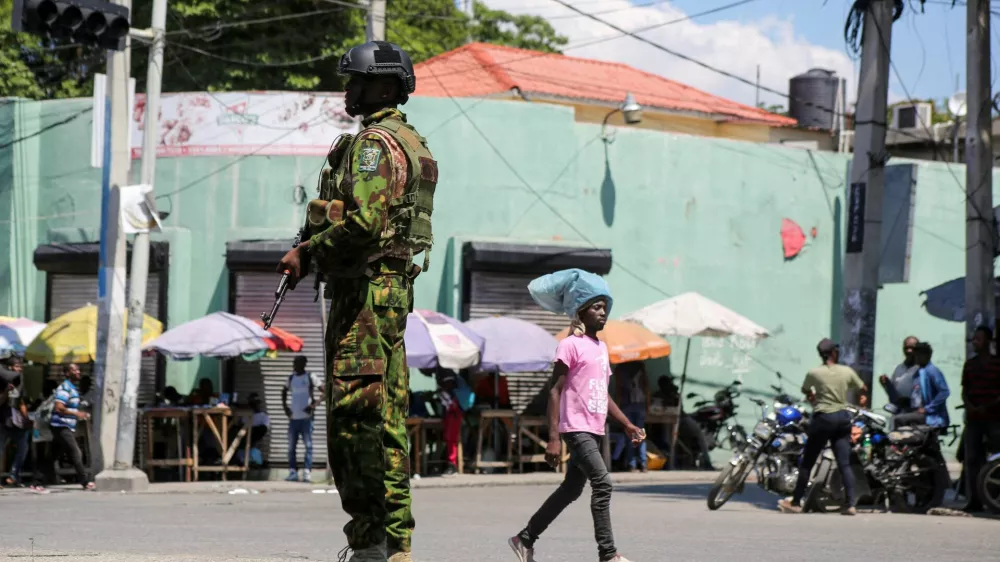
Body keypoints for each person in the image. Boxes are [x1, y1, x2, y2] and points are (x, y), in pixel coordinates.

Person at [277, 40, 435, 562]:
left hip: (364, 295)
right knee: (386, 416)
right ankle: (395, 544)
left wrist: (308, 251)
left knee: (355, 419)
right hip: (389, 290)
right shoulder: (410, 141)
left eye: (356, 82)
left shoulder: (374, 145)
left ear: (385, 87)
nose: (348, 90)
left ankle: (370, 542)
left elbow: (365, 224)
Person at [509, 269, 642, 562]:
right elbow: (554, 392)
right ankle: (608, 554)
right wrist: (553, 439)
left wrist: (628, 424)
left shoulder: (601, 348)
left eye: (605, 306)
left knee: (570, 490)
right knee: (603, 483)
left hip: (594, 428)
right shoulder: (569, 345)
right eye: (596, 306)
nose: (603, 312)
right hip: (576, 428)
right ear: (581, 312)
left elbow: (602, 393)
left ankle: (525, 538)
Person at [778, 339, 867, 516]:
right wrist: (862, 400)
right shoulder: (846, 371)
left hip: (823, 418)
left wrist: (813, 397)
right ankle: (850, 505)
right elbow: (862, 388)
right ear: (834, 352)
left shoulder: (814, 373)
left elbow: (806, 390)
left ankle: (796, 502)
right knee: (844, 463)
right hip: (842, 418)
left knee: (808, 462)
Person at [961, 325, 1000, 512]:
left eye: (978, 339)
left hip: (994, 418)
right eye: (973, 339)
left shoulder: (997, 364)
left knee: (997, 460)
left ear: (988, 341)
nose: (974, 342)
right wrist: (970, 406)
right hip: (974, 418)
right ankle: (974, 500)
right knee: (972, 460)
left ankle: (994, 497)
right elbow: (965, 391)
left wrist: (987, 406)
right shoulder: (970, 364)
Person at [46, 363, 94, 490]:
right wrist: (77, 413)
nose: (78, 372)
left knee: (52, 455)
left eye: (78, 369)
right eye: (74, 370)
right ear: (67, 373)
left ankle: (38, 481)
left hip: (65, 425)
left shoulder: (72, 388)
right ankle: (84, 481)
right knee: (76, 452)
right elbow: (59, 407)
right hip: (61, 425)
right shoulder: (65, 388)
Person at [282, 355, 320, 482]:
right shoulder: (291, 378)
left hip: (306, 419)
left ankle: (307, 473)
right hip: (294, 418)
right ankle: (293, 472)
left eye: (296, 363)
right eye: (294, 363)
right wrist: (285, 408)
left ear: (303, 364)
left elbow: (325, 391)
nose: (294, 365)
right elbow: (284, 391)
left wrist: (314, 404)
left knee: (308, 446)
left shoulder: (310, 377)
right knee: (291, 447)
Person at [896, 342, 950, 430]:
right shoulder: (918, 372)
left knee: (898, 420)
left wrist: (928, 409)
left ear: (926, 356)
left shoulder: (932, 371)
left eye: (918, 355)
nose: (916, 358)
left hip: (931, 417)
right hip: (918, 412)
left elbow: (944, 392)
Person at [615, 362, 649, 473]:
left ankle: (632, 465)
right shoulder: (640, 366)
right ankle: (643, 464)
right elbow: (646, 386)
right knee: (640, 434)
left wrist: (617, 409)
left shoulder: (620, 368)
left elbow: (619, 389)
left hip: (626, 405)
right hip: (640, 404)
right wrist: (647, 405)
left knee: (630, 435)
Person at [2, 359, 30, 487]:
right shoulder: (2, 380)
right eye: (17, 366)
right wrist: (6, 391)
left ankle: (14, 475)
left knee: (23, 447)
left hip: (17, 421)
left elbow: (21, 402)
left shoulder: (21, 381)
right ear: (10, 368)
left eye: (21, 367)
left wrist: (27, 418)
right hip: (3, 419)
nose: (19, 369)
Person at [879, 336, 919, 411]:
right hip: (900, 412)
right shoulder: (899, 369)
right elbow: (894, 395)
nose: (909, 351)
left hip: (915, 413)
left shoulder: (922, 370)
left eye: (912, 348)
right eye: (906, 348)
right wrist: (886, 384)